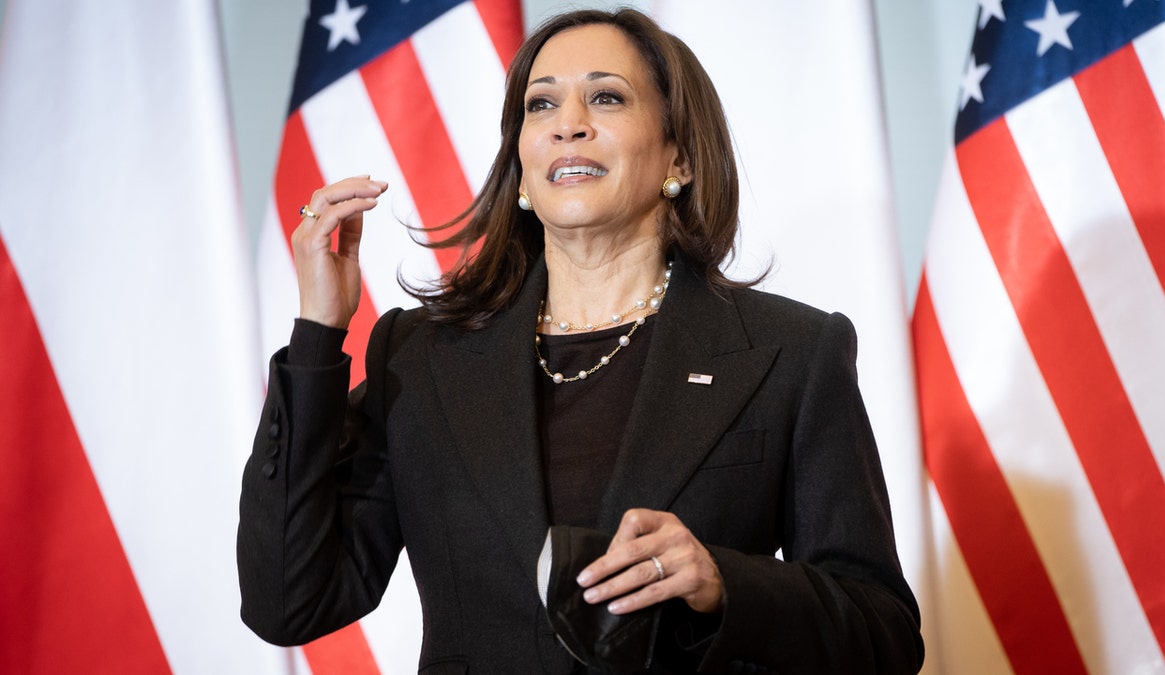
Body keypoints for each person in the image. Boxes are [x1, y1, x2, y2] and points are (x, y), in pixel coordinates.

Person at [237, 8, 923, 674]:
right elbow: (289, 601)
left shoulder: (791, 352)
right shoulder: (419, 358)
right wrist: (318, 337)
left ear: (676, 155)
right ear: (524, 166)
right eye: (541, 106)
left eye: (606, 97)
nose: (569, 125)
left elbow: (883, 634)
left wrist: (722, 583)